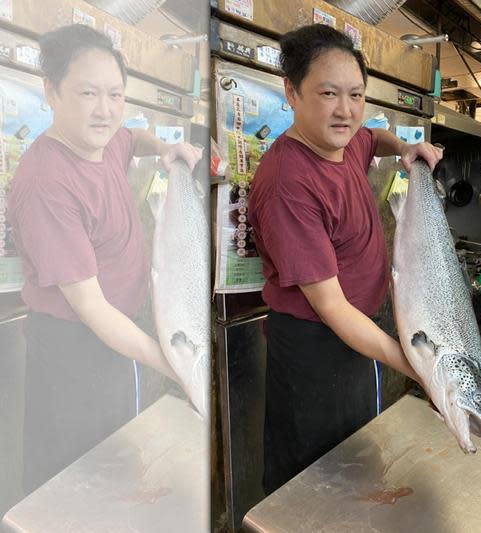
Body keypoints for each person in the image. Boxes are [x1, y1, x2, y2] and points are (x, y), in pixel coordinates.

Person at [247, 24, 443, 495]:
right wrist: (418, 367)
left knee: (357, 458)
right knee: (316, 483)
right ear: (291, 91)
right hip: (316, 349)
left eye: (356, 94)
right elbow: (331, 308)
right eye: (329, 93)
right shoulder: (288, 182)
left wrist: (406, 148)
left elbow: (372, 136)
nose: (346, 110)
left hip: (359, 335)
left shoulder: (344, 140)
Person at [7, 24, 202, 494]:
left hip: (116, 339)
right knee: (74, 485)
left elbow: (131, 138)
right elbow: (91, 309)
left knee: (117, 463)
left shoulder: (103, 141)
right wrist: (176, 363)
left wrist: (167, 147)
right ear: (51, 91)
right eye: (89, 93)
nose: (105, 109)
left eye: (115, 94)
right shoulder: (47, 182)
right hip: (75, 353)